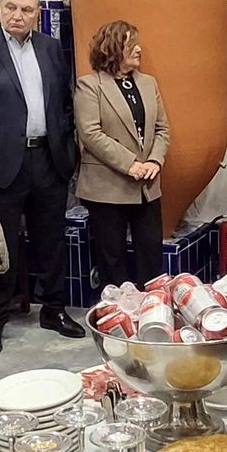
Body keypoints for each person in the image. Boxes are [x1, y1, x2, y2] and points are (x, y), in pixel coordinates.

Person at [0, 0, 84, 357]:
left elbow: (62, 103)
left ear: (37, 14)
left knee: (52, 241)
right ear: (0, 7)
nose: (17, 16)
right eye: (11, 7)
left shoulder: (50, 48)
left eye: (26, 10)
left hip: (48, 159)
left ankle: (54, 310)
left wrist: (68, 152)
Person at [73, 20, 172, 286]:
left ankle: (152, 314)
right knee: (112, 259)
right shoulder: (90, 86)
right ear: (113, 49)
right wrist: (130, 164)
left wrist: (155, 160)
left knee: (151, 254)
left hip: (147, 187)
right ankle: (117, 318)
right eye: (131, 44)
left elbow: (162, 128)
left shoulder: (149, 84)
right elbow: (90, 133)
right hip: (107, 188)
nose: (139, 49)